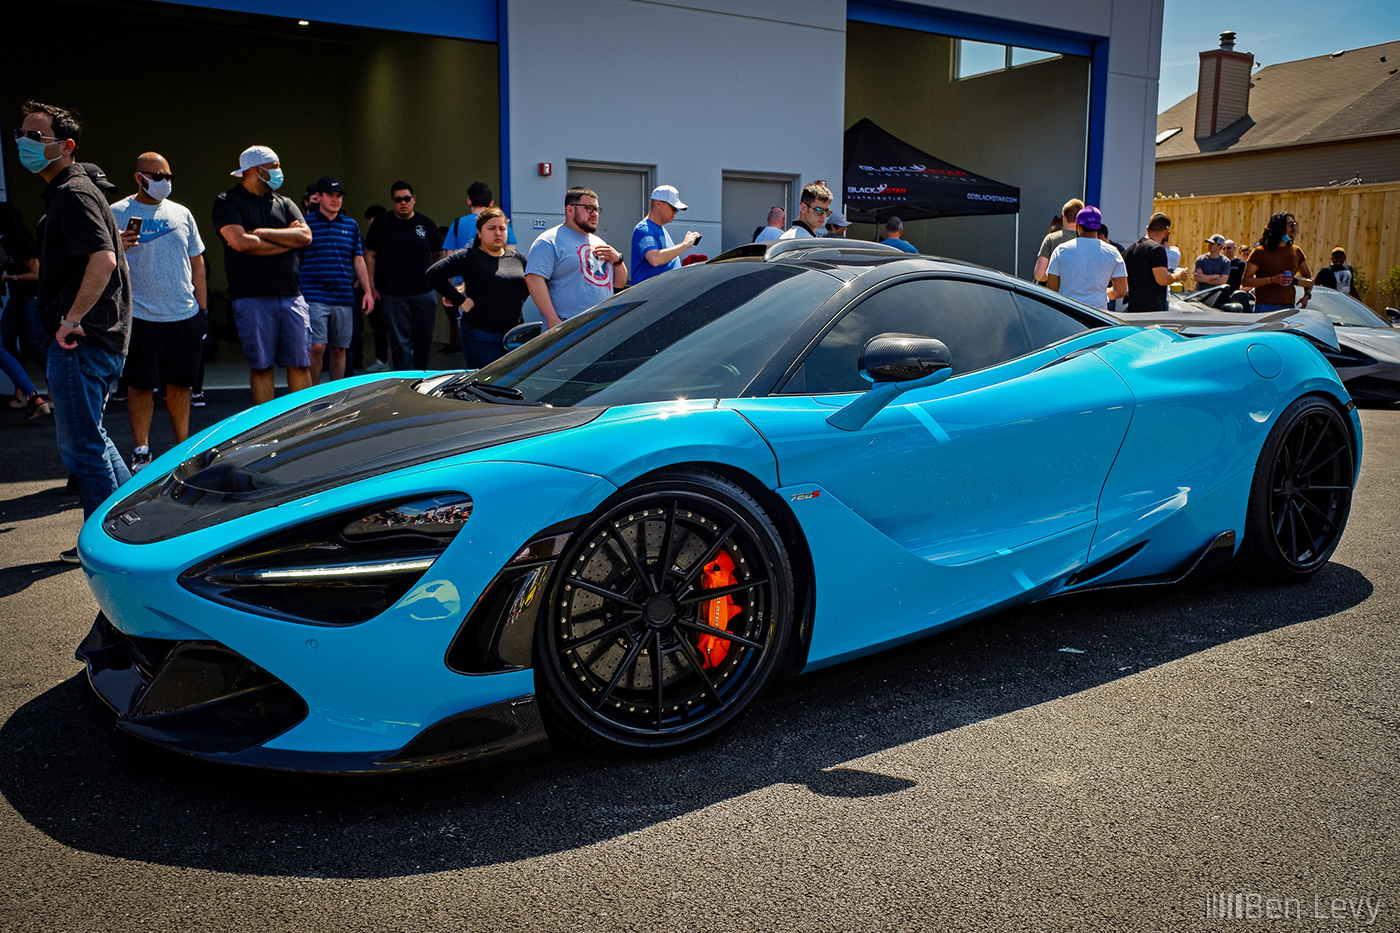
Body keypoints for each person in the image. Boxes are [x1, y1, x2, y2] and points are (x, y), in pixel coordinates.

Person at [17, 100, 132, 561]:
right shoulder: (76, 191)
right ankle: (130, 528)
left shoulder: (73, 193)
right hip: (99, 338)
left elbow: (103, 260)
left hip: (82, 341)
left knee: (82, 447)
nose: (24, 143)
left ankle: (107, 546)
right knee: (94, 437)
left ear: (64, 146)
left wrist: (71, 321)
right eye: (20, 134)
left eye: (34, 136)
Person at [109, 151, 206, 472]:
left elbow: (197, 262)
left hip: (183, 312)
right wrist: (117, 246)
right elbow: (101, 262)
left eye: (169, 177)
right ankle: (142, 449)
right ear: (139, 178)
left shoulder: (182, 213)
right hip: (140, 315)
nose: (165, 182)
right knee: (140, 384)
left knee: (180, 383)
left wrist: (202, 309)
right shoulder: (117, 213)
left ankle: (183, 445)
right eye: (158, 176)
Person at [212, 144, 313, 404]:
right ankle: (266, 429)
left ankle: (303, 426)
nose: (280, 172)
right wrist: (285, 241)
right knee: (261, 366)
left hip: (291, 295)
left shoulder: (285, 203)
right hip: (251, 295)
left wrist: (261, 233)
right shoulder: (227, 201)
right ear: (257, 170)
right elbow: (240, 243)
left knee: (300, 364)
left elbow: (305, 236)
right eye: (276, 166)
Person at [426, 208, 527, 369]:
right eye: (491, 228)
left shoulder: (516, 257)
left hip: (514, 336)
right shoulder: (468, 256)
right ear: (479, 233)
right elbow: (434, 274)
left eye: (502, 228)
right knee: (486, 385)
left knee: (512, 384)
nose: (498, 233)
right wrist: (461, 301)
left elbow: (529, 285)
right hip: (482, 336)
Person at [299, 176, 374, 384]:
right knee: (317, 347)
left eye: (339, 195)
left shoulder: (351, 225)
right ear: (318, 197)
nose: (336, 200)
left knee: (340, 348)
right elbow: (295, 259)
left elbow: (358, 259)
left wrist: (367, 291)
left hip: (342, 295)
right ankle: (310, 397)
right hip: (312, 294)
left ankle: (333, 397)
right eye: (331, 195)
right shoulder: (305, 225)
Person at [364, 181, 443, 369]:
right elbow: (369, 254)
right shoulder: (381, 223)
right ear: (392, 201)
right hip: (393, 294)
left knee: (424, 341)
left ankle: (421, 378)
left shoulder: (425, 223)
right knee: (400, 344)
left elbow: (439, 253)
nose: (403, 203)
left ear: (413, 199)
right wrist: (372, 285)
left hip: (424, 293)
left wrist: (440, 281)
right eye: (398, 200)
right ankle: (403, 383)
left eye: (407, 198)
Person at [525, 186, 627, 329]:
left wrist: (618, 261)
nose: (594, 214)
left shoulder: (599, 243)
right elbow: (534, 280)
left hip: (600, 327)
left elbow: (618, 284)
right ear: (570, 210)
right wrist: (553, 319)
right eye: (588, 208)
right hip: (566, 329)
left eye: (596, 209)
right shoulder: (549, 241)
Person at [0, 202, 48, 418]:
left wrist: (10, 278)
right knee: (7, 339)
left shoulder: (21, 242)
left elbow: (38, 274)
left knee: (36, 341)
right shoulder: (5, 242)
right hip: (18, 296)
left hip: (31, 295)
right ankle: (23, 390)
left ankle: (52, 391)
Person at [1045, 206, 1127, 311]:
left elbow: (1052, 288)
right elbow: (1121, 291)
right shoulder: (1113, 252)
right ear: (1098, 227)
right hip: (1098, 315)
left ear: (1078, 225)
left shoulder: (1061, 250)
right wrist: (1097, 295)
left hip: (1067, 313)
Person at [629, 185, 700, 287]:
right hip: (651, 296)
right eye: (673, 208)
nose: (675, 212)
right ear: (659, 204)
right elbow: (655, 259)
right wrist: (685, 244)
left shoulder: (660, 230)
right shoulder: (644, 229)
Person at [1243, 212, 1313, 313]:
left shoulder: (1296, 251)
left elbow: (1309, 278)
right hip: (1265, 307)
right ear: (1279, 227)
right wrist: (1272, 280)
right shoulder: (1260, 251)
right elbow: (1246, 281)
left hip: (1289, 307)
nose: (1294, 228)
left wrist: (1307, 295)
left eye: (1294, 224)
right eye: (1290, 225)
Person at [1122, 213, 1189, 312]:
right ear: (1166, 231)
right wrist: (1178, 276)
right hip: (1152, 311)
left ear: (1147, 228)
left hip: (1133, 307)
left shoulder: (1131, 249)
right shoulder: (1156, 249)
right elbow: (1162, 279)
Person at [1034, 198, 1083, 284]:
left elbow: (1039, 275)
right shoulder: (1087, 241)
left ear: (1064, 217)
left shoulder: (1051, 239)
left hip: (1054, 294)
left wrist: (1054, 277)